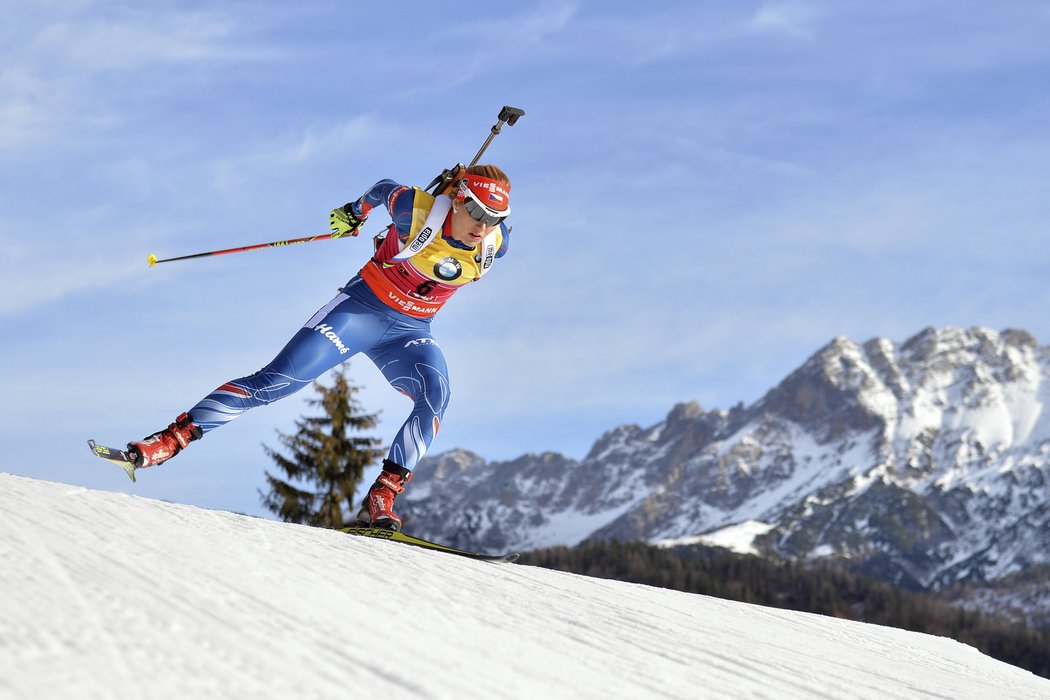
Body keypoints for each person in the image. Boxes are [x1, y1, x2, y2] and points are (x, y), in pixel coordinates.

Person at [125, 165, 513, 530]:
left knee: (436, 396)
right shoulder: (415, 210)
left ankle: (382, 495)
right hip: (359, 312)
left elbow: (486, 232)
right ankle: (171, 439)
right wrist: (354, 213)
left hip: (410, 332)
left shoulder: (496, 242)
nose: (484, 226)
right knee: (275, 383)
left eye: (495, 217)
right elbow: (382, 188)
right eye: (477, 212)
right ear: (458, 200)